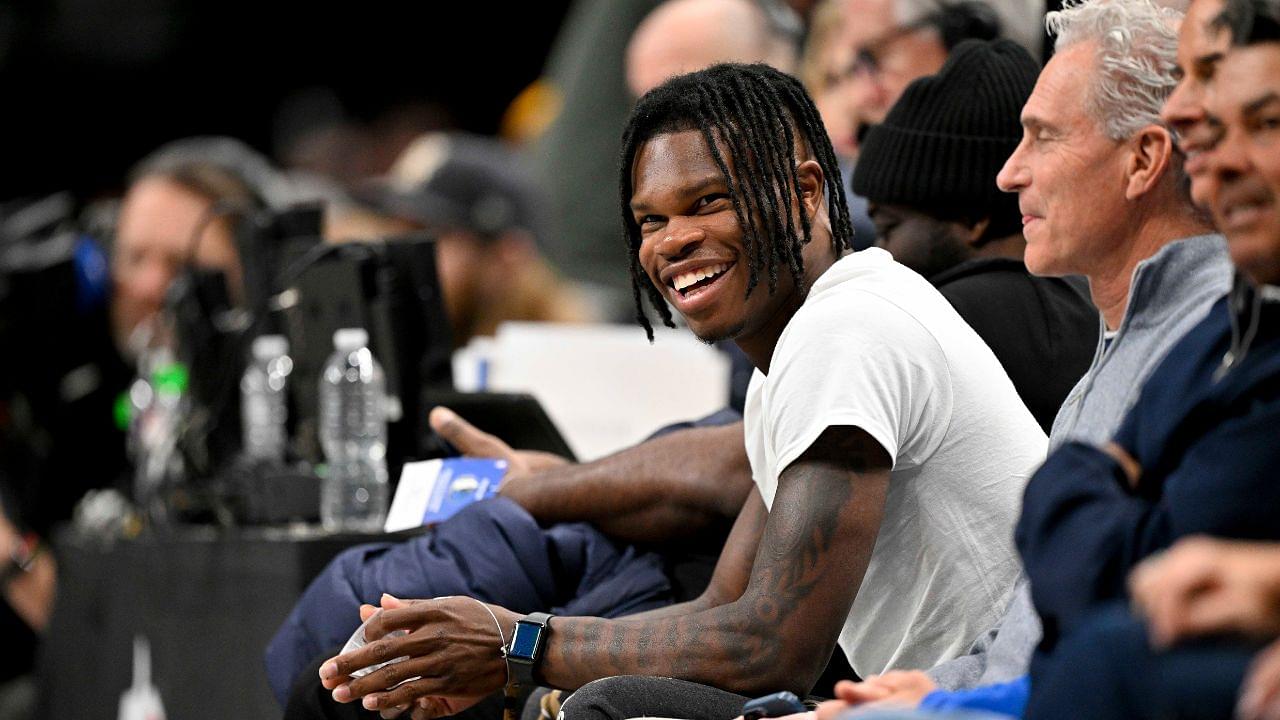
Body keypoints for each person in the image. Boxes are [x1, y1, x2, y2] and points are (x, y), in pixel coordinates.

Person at [318, 62, 1043, 720]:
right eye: (651, 220)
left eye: (708, 202)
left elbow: (768, 648)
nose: (672, 241)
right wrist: (510, 662)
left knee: (600, 706)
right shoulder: (799, 352)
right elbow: (722, 607)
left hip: (1006, 699)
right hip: (949, 697)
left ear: (806, 193)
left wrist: (517, 644)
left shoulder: (847, 328)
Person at [794, 0, 1232, 715]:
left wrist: (936, 708)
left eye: (1043, 138)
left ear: (1145, 160)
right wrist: (934, 689)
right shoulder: (1116, 358)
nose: (1008, 174)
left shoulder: (1214, 349)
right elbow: (1030, 635)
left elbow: (1131, 657)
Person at [1017, 0, 1280, 715]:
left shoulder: (1216, 319)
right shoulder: (1217, 327)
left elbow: (1112, 583)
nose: (1188, 114)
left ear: (1142, 162)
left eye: (1264, 124)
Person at [851, 38, 1096, 431]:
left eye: (888, 228)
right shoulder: (1095, 299)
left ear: (971, 218)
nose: (879, 252)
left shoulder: (935, 320)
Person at [357, 131, 594, 345]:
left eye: (426, 235)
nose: (398, 252)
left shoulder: (569, 360)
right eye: (396, 230)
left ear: (506, 255)